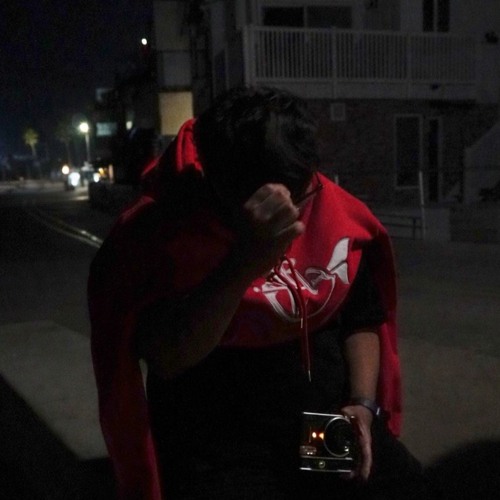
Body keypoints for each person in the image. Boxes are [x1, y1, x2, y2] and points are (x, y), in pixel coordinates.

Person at [88, 86, 426, 500]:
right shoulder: (165, 229)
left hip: (317, 424)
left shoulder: (326, 203)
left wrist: (362, 403)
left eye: (300, 195)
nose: (290, 212)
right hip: (219, 442)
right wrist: (246, 260)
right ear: (221, 186)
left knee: (407, 489)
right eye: (268, 200)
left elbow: (361, 318)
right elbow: (169, 357)